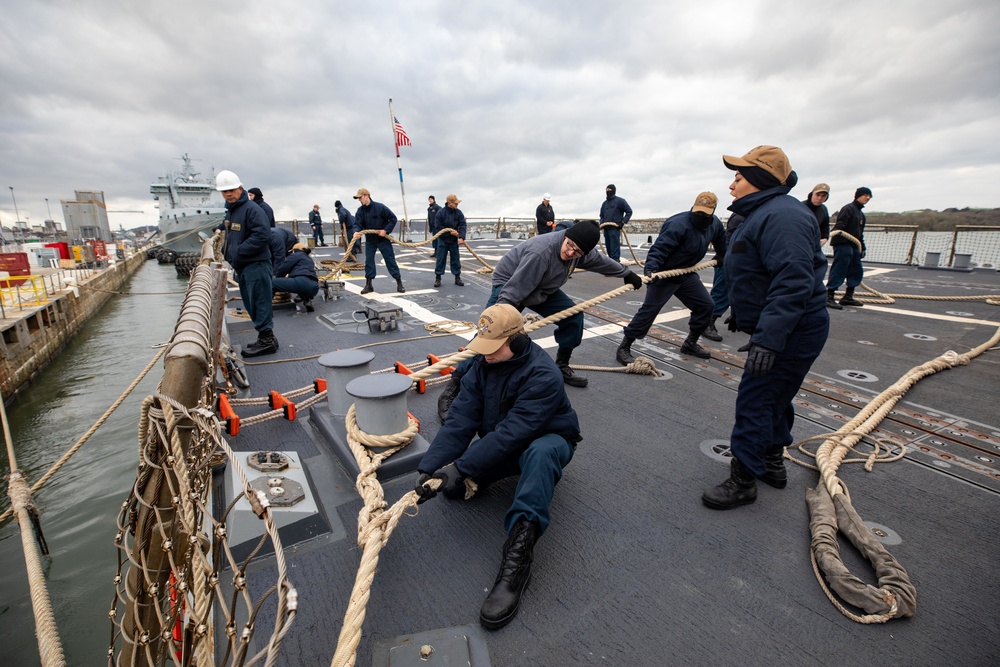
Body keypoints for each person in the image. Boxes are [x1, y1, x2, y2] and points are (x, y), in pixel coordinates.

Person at [415, 303, 581, 630]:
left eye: (494, 348)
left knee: (540, 454)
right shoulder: (482, 365)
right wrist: (432, 467)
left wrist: (461, 466)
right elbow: (461, 418)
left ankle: (518, 558)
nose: (486, 354)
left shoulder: (543, 374)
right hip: (506, 441)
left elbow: (513, 432)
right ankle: (478, 475)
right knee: (451, 488)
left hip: (548, 440)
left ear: (516, 340)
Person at [702, 145, 830, 510]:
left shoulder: (781, 217)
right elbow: (761, 273)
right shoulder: (769, 212)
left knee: (756, 399)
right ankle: (772, 461)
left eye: (739, 178)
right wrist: (745, 315)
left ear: (758, 181)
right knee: (775, 396)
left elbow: (792, 282)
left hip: (792, 329)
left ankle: (743, 478)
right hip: (788, 326)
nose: (732, 185)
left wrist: (770, 341)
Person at [437, 220, 643, 420]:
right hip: (511, 283)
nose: (571, 253)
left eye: (577, 252)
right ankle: (454, 386)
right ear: (566, 237)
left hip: (541, 288)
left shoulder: (578, 250)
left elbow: (600, 262)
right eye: (570, 246)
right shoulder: (541, 253)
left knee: (573, 316)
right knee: (490, 333)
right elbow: (513, 291)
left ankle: (562, 364)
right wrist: (499, 316)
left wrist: (626, 273)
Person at [616, 192, 725, 364]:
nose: (700, 217)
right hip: (665, 273)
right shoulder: (678, 224)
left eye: (705, 214)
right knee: (649, 311)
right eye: (698, 212)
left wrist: (722, 255)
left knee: (706, 306)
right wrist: (651, 268)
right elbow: (659, 248)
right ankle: (624, 346)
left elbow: (721, 240)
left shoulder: (715, 224)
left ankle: (690, 343)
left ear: (712, 212)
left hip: (686, 273)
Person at [217, 170, 278, 357]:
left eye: (232, 190)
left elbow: (263, 234)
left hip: (255, 264)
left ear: (240, 189)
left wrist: (238, 251)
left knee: (259, 301)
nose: (228, 193)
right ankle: (266, 336)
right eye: (224, 191)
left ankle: (267, 340)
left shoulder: (251, 209)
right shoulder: (233, 210)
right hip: (244, 265)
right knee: (251, 303)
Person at [826, 187, 872, 309]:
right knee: (840, 268)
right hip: (842, 243)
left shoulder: (861, 214)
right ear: (858, 195)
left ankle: (848, 296)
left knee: (856, 269)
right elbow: (840, 225)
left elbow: (859, 233)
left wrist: (862, 247)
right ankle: (829, 295)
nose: (867, 198)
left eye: (869, 196)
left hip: (854, 245)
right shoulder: (848, 209)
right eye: (865, 195)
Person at [353, 188, 405, 294]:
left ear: (366, 196)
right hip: (370, 240)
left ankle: (399, 282)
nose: (359, 200)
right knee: (369, 262)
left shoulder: (380, 207)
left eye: (360, 197)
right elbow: (357, 223)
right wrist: (356, 232)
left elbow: (393, 218)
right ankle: (369, 284)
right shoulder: (360, 211)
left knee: (390, 260)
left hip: (383, 239)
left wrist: (386, 230)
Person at [703, 213, 745, 342]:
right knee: (722, 291)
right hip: (731, 256)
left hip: (741, 256)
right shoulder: (742, 216)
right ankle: (707, 323)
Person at [273, 243, 319, 312]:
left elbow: (283, 269)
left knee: (271, 283)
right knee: (303, 287)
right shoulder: (309, 259)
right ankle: (307, 301)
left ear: (294, 250)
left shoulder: (295, 255)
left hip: (301, 282)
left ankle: (265, 309)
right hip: (314, 287)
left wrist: (278, 279)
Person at [434, 194, 467, 287]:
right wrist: (449, 233)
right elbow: (438, 227)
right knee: (440, 259)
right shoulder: (440, 213)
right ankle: (438, 278)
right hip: (443, 239)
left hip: (453, 240)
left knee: (456, 259)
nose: (457, 204)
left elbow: (463, 225)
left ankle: (457, 277)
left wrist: (461, 237)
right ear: (450, 203)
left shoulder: (459, 213)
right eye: (455, 203)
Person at [599, 184, 632, 262]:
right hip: (606, 229)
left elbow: (629, 211)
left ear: (613, 191)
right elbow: (601, 215)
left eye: (609, 190)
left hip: (614, 229)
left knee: (614, 249)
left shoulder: (620, 201)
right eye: (606, 190)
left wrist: (623, 222)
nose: (608, 192)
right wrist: (602, 223)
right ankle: (611, 266)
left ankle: (616, 265)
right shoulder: (604, 204)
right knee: (609, 248)